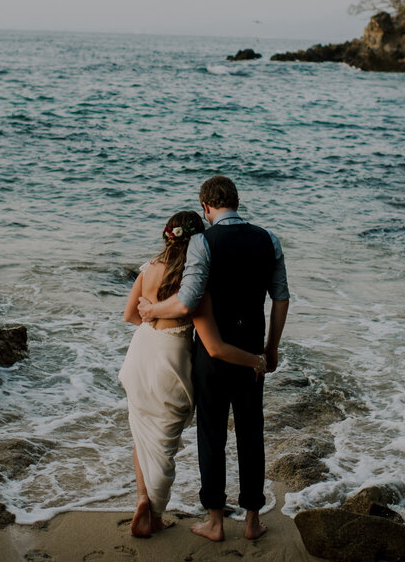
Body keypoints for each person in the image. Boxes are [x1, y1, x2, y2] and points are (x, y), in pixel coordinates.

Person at [138, 176, 290, 542]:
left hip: (213, 355)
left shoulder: (203, 242)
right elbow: (281, 298)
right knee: (252, 434)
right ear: (237, 202)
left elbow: (187, 301)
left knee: (211, 435)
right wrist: (269, 349)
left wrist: (152, 309)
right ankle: (253, 521)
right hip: (251, 352)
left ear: (206, 208)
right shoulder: (268, 239)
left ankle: (216, 522)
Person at [119, 210, 267, 539]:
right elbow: (210, 341)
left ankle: (145, 502)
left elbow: (130, 314)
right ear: (198, 239)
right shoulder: (194, 278)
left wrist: (153, 323)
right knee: (164, 441)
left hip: (140, 353)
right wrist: (255, 359)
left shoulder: (149, 267)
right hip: (171, 358)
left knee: (142, 435)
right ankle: (153, 512)